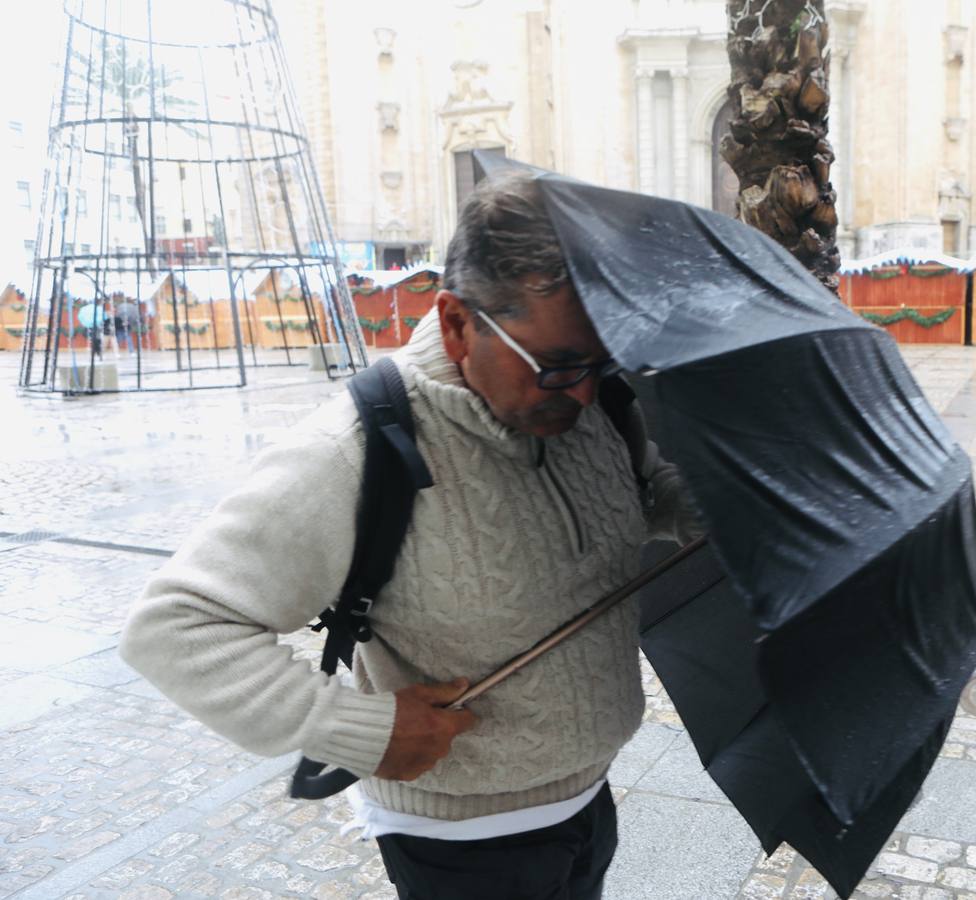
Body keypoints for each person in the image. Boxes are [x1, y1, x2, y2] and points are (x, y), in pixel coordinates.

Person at [120, 171, 699, 899]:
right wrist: (353, 728)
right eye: (556, 368)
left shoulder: (592, 404)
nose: (583, 392)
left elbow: (641, 488)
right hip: (463, 849)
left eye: (600, 361)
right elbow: (174, 625)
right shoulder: (354, 450)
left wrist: (714, 514)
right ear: (457, 321)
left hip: (588, 805)